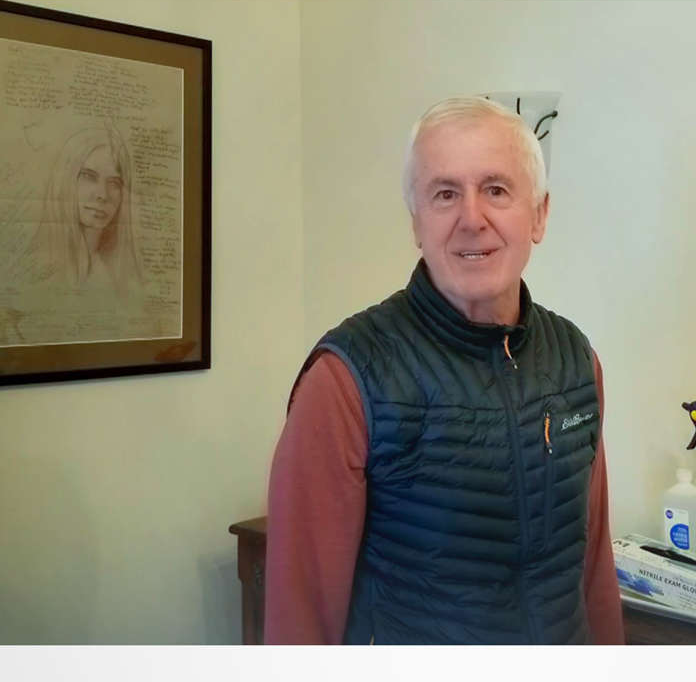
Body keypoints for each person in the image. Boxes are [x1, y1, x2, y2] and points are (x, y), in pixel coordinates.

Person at [265, 96, 624, 644]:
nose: (471, 219)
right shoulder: (346, 380)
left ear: (539, 215)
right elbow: (301, 623)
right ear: (416, 222)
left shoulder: (576, 362)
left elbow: (593, 569)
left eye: (496, 190)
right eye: (445, 194)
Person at [27, 124, 144, 296]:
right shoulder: (32, 270)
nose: (102, 195)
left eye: (114, 183)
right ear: (65, 180)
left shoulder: (125, 282)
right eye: (89, 177)